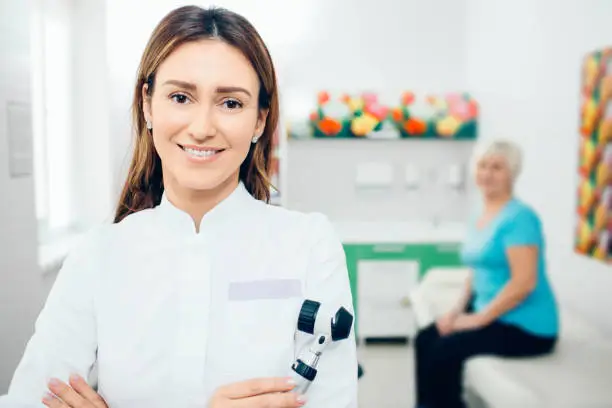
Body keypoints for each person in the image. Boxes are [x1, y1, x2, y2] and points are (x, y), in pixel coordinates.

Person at [0, 6, 357, 408]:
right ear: (149, 105)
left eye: (231, 103)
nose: (203, 126)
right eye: (181, 97)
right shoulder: (98, 255)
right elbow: (28, 400)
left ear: (260, 121)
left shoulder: (309, 245)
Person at [414, 139, 559, 408]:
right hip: (493, 312)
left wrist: (478, 319)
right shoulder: (480, 211)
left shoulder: (520, 218)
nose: (487, 174)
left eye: (497, 167)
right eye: (482, 166)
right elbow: (476, 270)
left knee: (445, 349)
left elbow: (524, 282)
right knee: (426, 339)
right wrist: (457, 311)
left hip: (525, 326)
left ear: (512, 174)